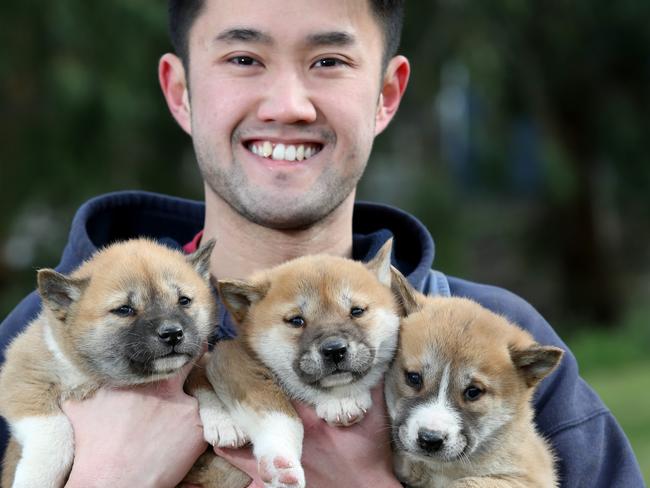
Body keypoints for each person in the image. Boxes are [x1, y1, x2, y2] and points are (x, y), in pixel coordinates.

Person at [0, 0, 644, 486]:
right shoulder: (36, 345)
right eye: (244, 59)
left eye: (329, 61)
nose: (289, 105)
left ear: (387, 95)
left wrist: (366, 481)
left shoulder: (491, 341)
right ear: (181, 91)